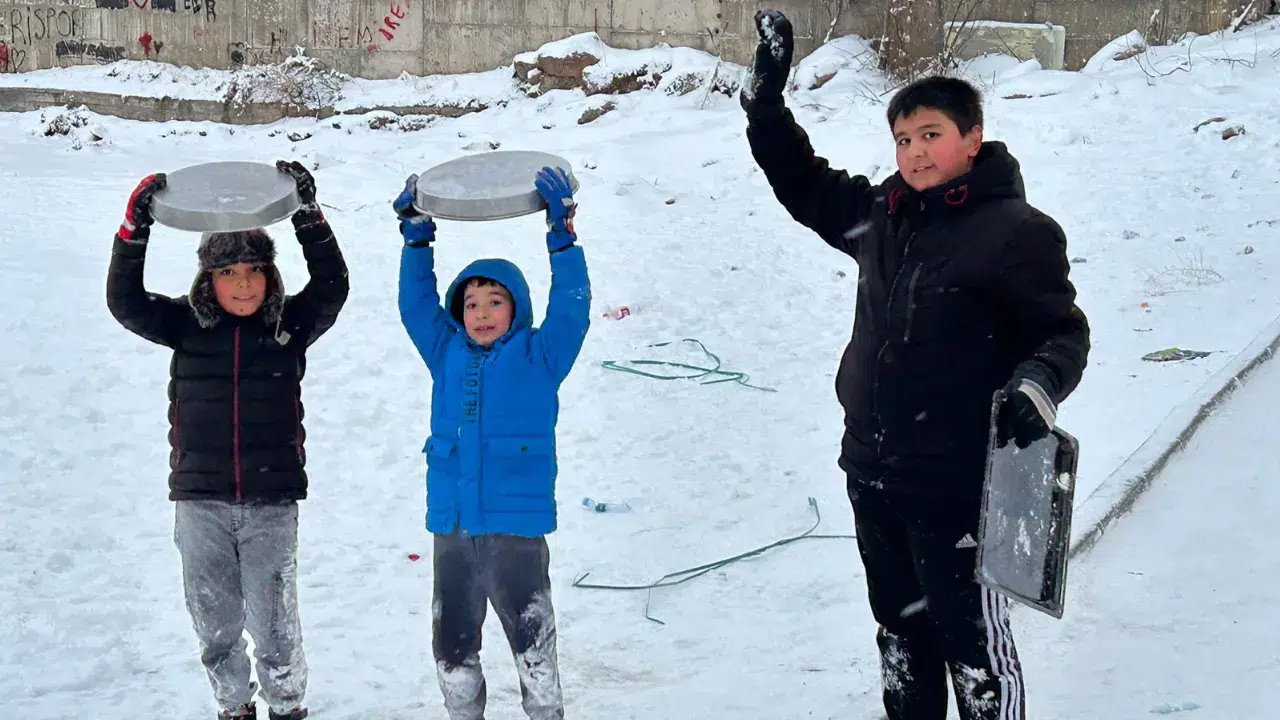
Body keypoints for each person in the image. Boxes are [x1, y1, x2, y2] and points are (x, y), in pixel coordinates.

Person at [740, 10, 1090, 720]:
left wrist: (1036, 386)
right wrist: (765, 109)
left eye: (931, 135)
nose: (916, 152)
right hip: (874, 470)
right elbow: (803, 183)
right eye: (903, 139)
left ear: (972, 139)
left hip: (959, 482)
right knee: (901, 635)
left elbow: (1061, 334)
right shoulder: (883, 216)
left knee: (974, 645)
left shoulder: (1017, 233)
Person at [106, 161, 350, 720]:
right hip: (201, 502)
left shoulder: (288, 326)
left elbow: (333, 286)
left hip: (271, 503)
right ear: (207, 281)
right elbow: (126, 302)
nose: (243, 283)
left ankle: (286, 706)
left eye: (255, 270)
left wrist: (307, 215)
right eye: (228, 271)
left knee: (274, 623)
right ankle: (233, 707)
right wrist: (134, 230)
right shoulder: (186, 326)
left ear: (270, 275)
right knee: (214, 622)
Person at [396, 166, 591, 720]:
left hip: (516, 529)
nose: (481, 313)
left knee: (532, 641)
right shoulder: (446, 352)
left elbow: (572, 306)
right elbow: (416, 306)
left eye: (495, 302)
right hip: (454, 527)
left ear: (517, 308)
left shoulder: (540, 356)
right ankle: (463, 712)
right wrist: (417, 241)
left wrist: (561, 238)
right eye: (471, 304)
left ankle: (545, 712)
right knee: (452, 645)